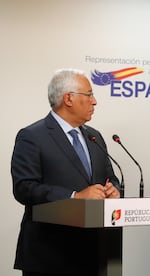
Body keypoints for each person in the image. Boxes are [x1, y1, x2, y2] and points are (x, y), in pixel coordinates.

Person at [11, 68, 121, 276]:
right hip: (49, 257)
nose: (94, 101)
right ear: (68, 98)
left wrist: (112, 190)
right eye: (89, 95)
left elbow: (110, 177)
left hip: (95, 255)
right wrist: (74, 197)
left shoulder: (94, 136)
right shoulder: (32, 136)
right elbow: (24, 188)